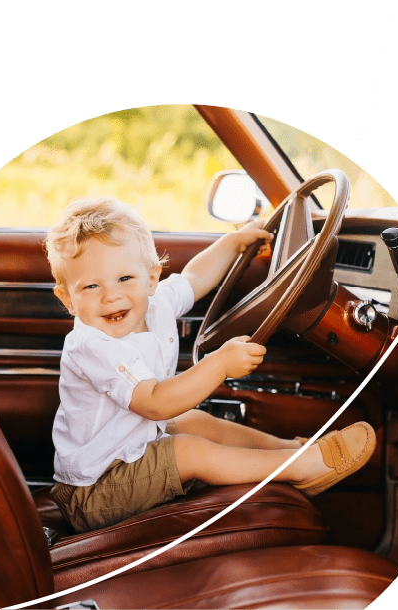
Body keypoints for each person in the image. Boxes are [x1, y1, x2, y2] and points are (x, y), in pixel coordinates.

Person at [45, 196, 375, 532]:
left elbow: (195, 278)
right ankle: (300, 467)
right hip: (93, 492)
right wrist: (218, 365)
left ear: (151, 278)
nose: (110, 296)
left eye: (125, 278)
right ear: (67, 298)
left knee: (196, 422)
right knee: (188, 452)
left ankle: (294, 448)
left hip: (130, 449)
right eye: (91, 286)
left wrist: (233, 243)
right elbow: (155, 403)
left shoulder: (153, 304)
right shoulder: (93, 344)